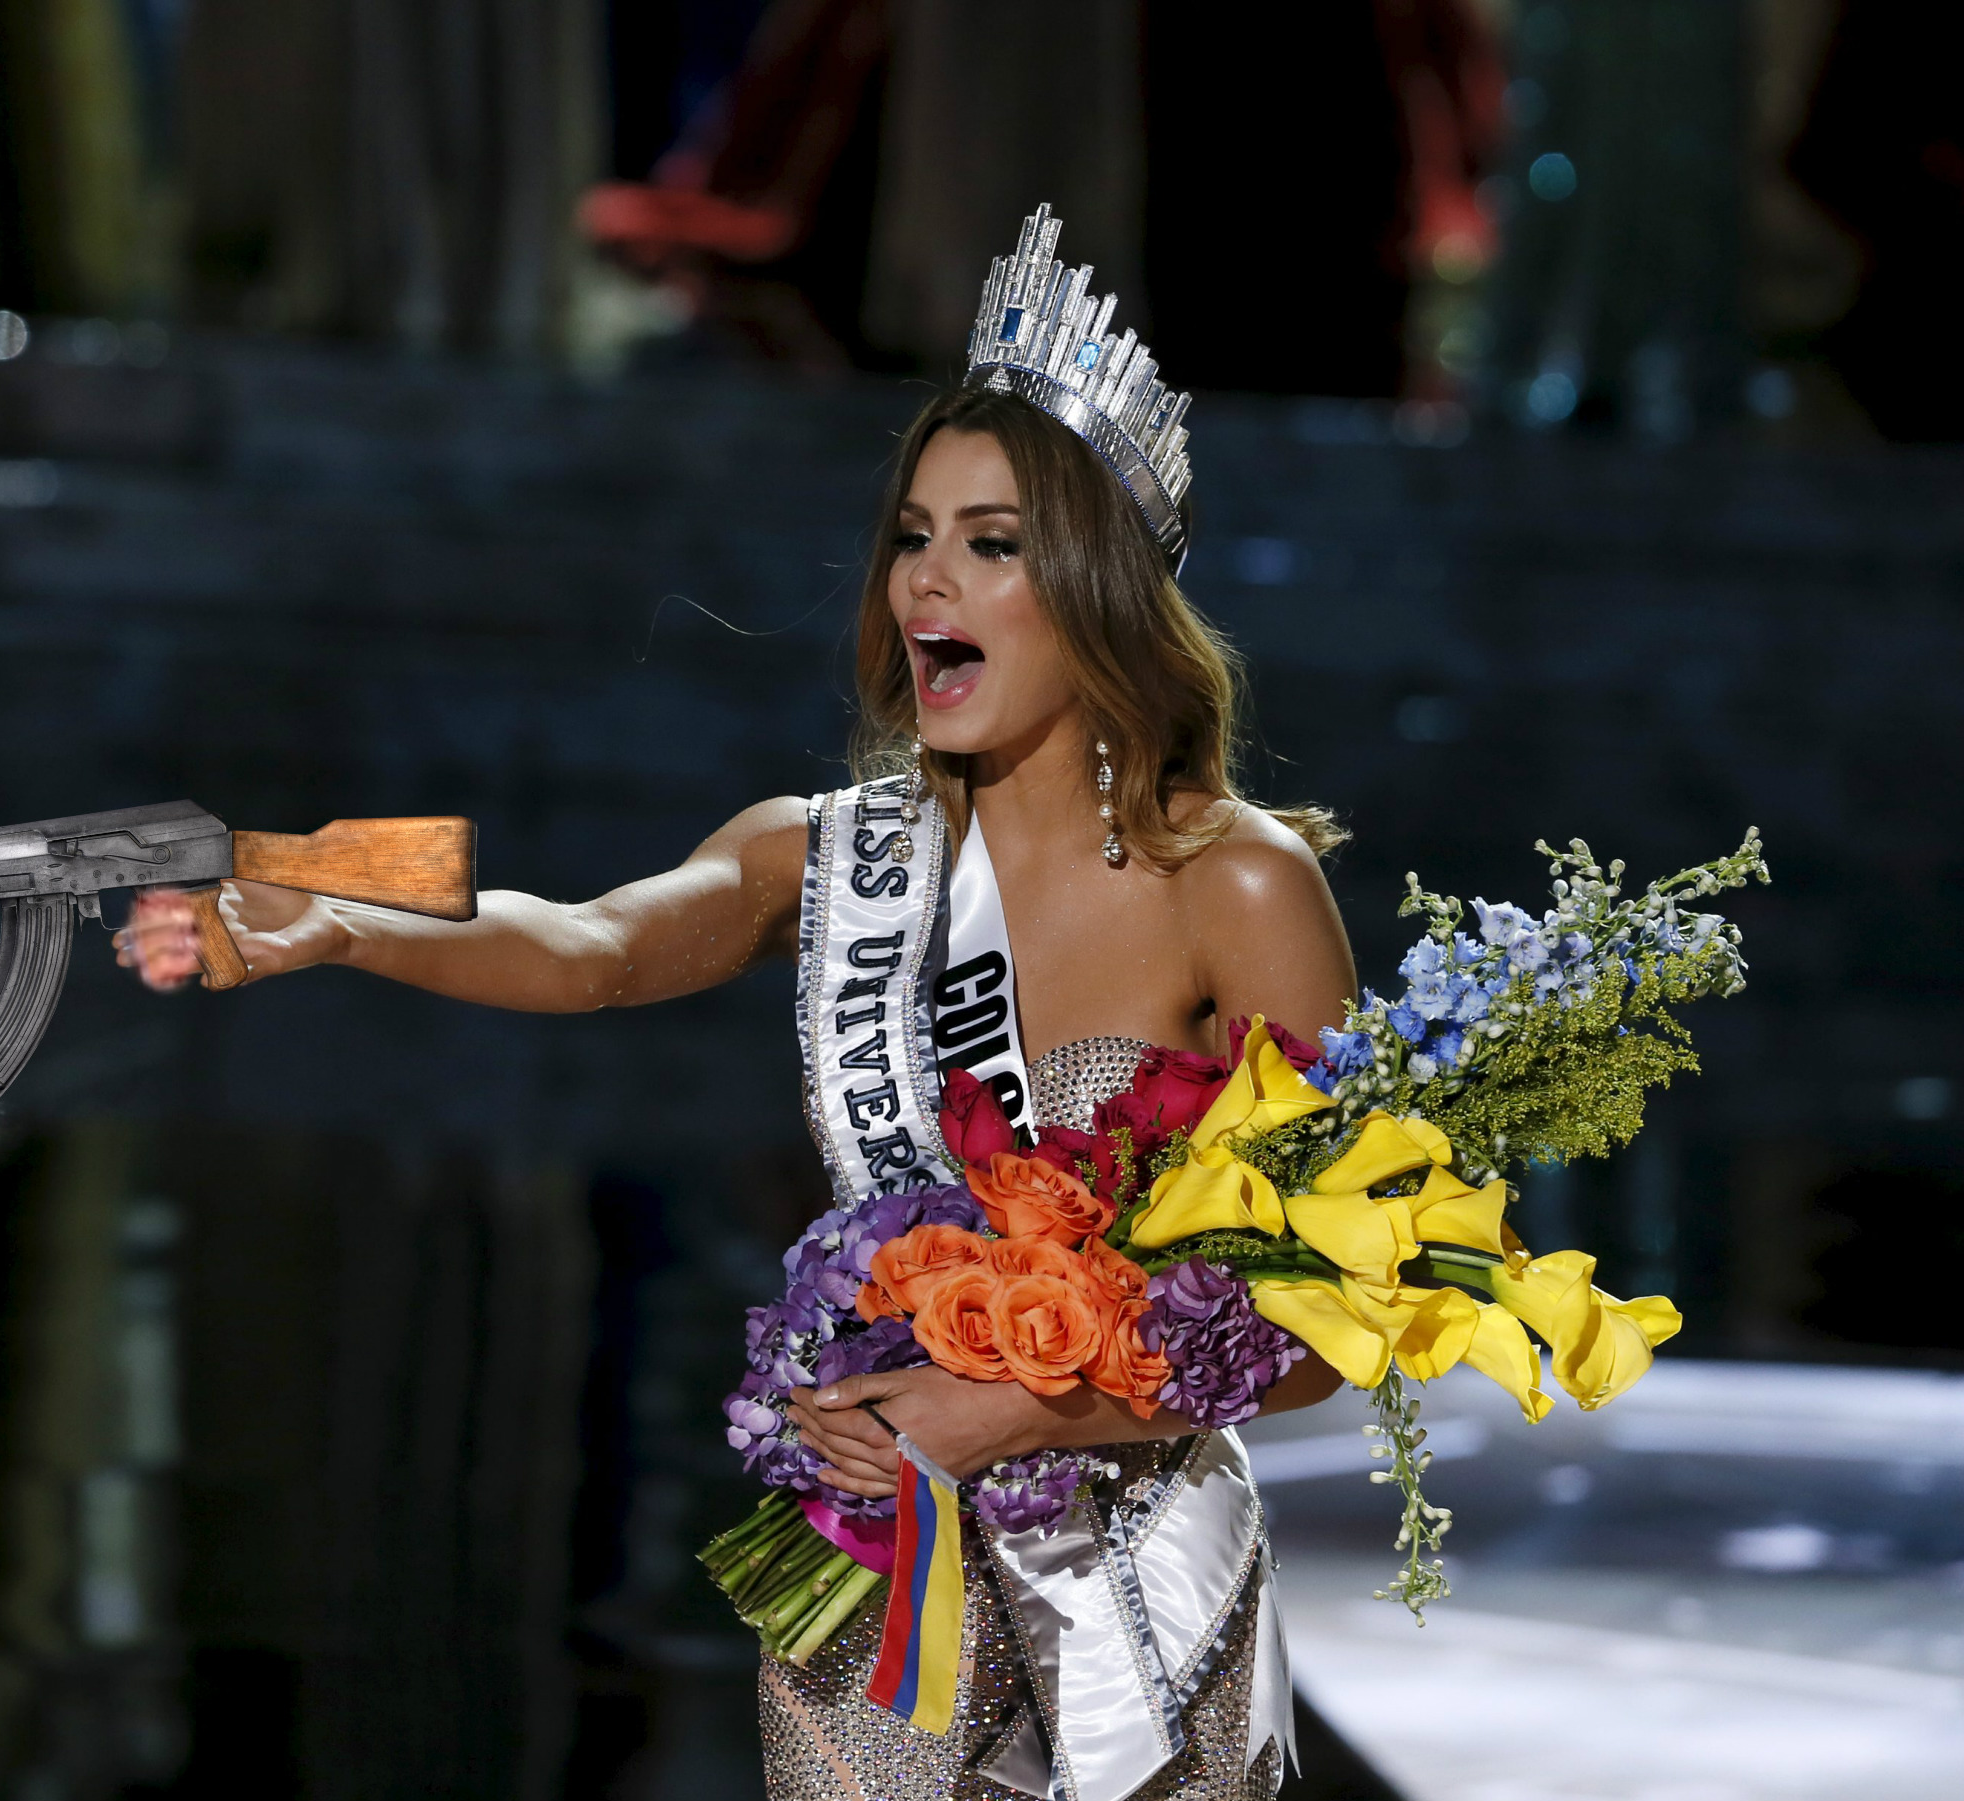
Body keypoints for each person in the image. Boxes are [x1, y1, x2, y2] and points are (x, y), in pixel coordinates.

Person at [120, 208, 1354, 1801]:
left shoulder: (1233, 884)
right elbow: (592, 943)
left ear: (1101, 584)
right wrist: (343, 916)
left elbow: (1339, 1320)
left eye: (992, 542)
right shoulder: (831, 855)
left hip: (1142, 1586)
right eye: (914, 534)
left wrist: (1028, 1408)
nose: (927, 578)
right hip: (871, 1561)